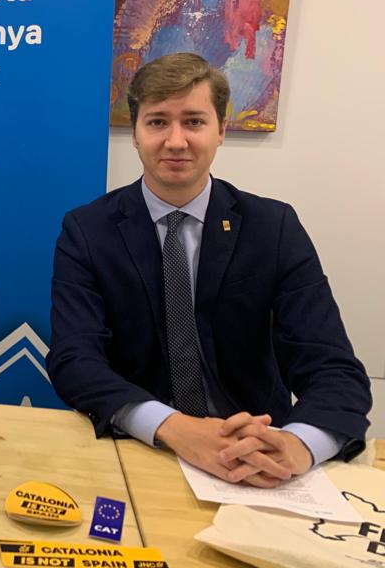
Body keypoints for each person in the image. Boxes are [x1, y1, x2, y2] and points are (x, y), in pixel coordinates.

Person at [47, 53, 370, 487]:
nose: (176, 141)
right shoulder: (87, 230)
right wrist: (174, 427)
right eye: (158, 122)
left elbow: (334, 368)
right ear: (136, 134)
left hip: (259, 453)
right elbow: (74, 360)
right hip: (143, 448)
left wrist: (298, 445)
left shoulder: (273, 228)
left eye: (194, 122)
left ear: (221, 131)